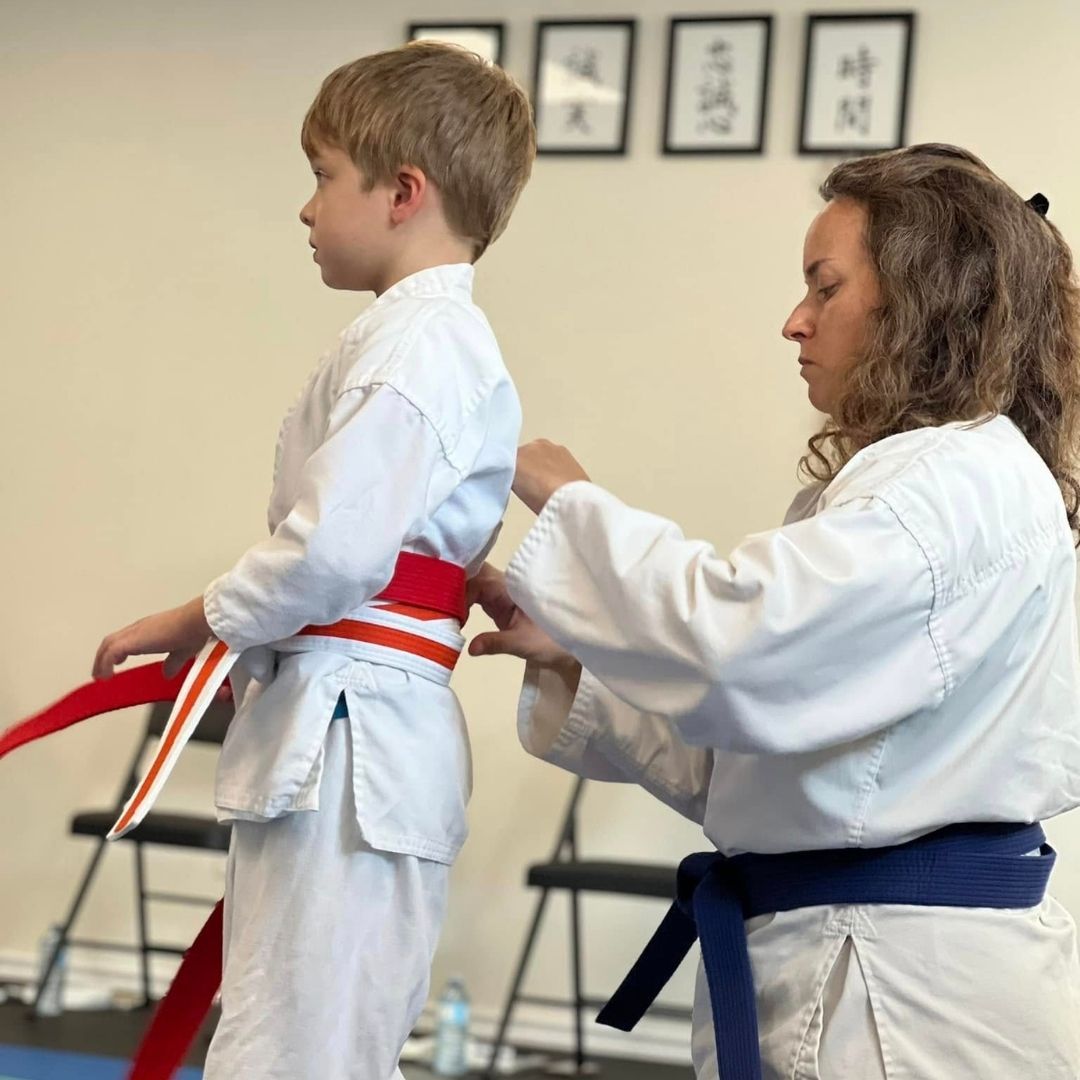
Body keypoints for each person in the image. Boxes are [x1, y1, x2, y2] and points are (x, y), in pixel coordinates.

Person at [469, 144, 1080, 1079]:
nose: (794, 322)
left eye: (824, 288)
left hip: (898, 999)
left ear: (920, 299)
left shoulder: (951, 485)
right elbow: (760, 763)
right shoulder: (918, 485)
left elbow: (734, 652)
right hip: (853, 958)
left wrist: (575, 505)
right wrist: (571, 658)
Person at [92, 42, 535, 1080]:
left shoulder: (423, 343)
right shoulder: (413, 339)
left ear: (403, 193)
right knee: (294, 1032)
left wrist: (189, 618)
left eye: (324, 174)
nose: (306, 207)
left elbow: (333, 549)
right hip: (348, 721)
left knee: (304, 1047)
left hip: (354, 742)